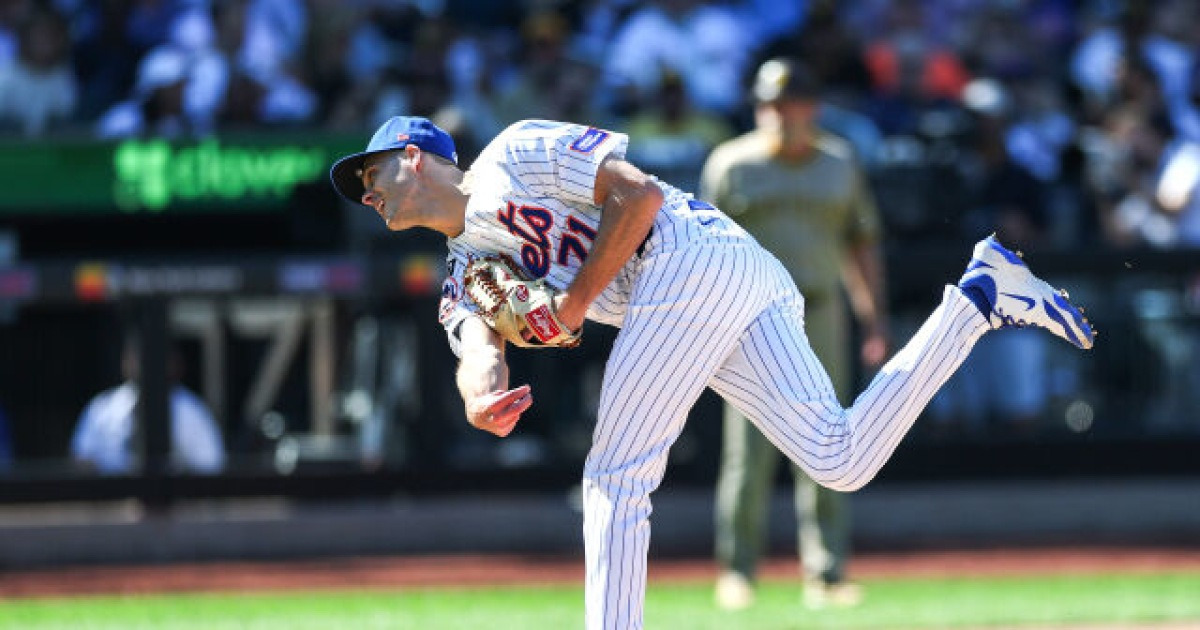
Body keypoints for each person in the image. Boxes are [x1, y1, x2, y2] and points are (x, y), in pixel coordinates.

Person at [329, 115, 1094, 630]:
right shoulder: (463, 269)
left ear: (412, 157)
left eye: (369, 175)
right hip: (717, 287)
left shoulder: (515, 152)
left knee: (614, 476)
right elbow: (473, 348)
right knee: (840, 458)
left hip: (691, 254)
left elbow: (638, 196)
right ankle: (981, 296)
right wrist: (481, 399)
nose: (365, 194)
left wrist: (571, 304)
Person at [700, 58, 887, 611]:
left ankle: (826, 574)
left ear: (814, 106)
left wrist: (873, 317)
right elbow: (700, 250)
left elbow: (863, 241)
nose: (782, 114)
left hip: (824, 308)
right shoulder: (731, 164)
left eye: (792, 103)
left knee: (831, 439)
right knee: (749, 450)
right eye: (772, 104)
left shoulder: (839, 161)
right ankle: (737, 572)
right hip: (752, 318)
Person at [71, 338, 225, 475]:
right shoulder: (102, 407)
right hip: (111, 501)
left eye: (150, 355)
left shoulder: (192, 410)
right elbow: (82, 458)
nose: (141, 362)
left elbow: (211, 466)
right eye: (134, 355)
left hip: (172, 501)